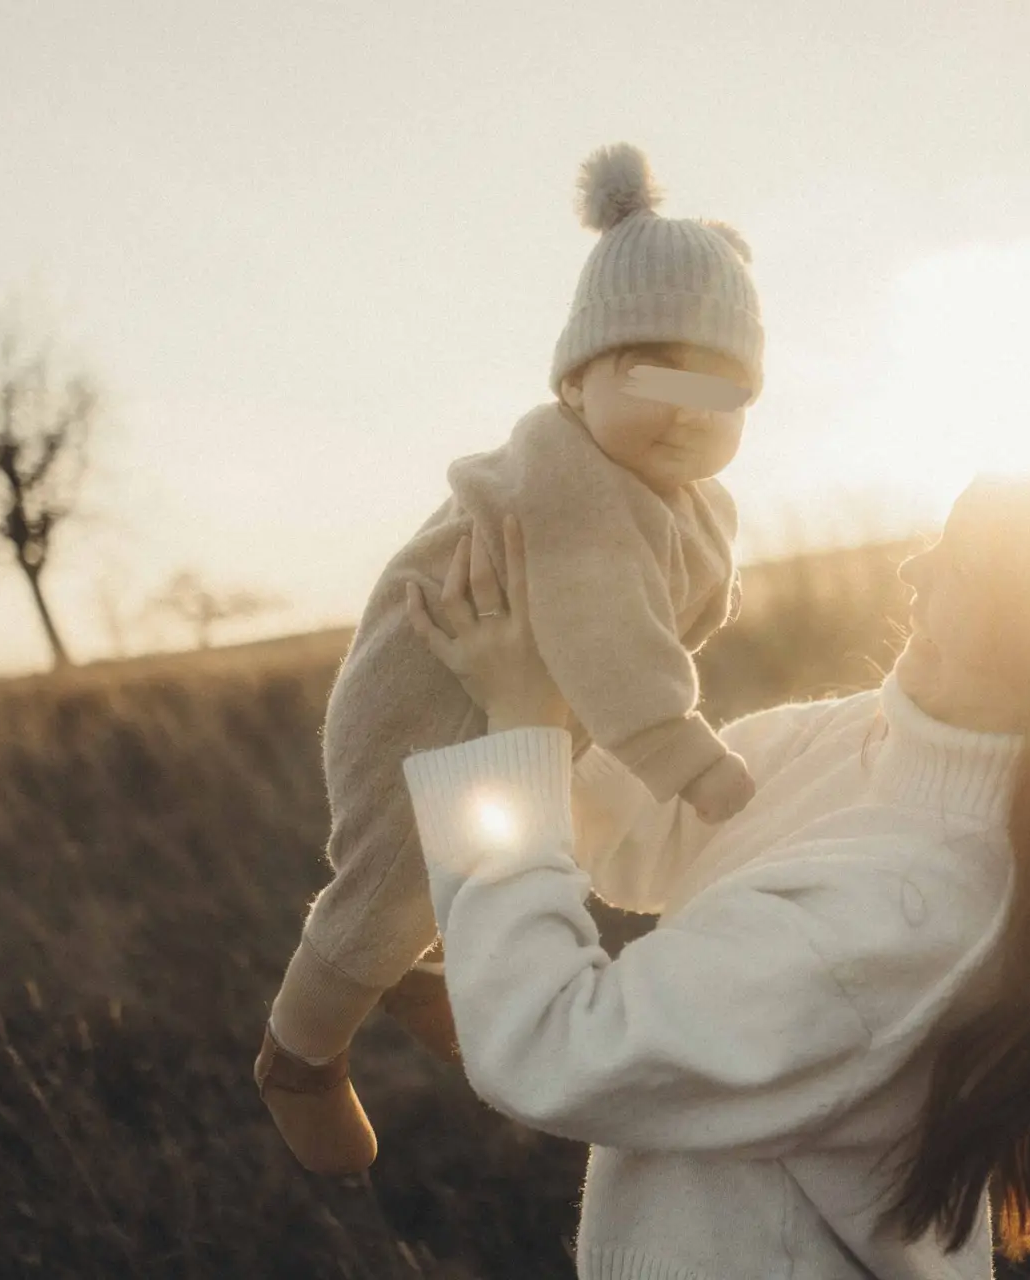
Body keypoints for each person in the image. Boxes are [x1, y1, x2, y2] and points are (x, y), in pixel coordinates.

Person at [400, 421, 1030, 1279]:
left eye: (965, 566)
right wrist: (567, 663)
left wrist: (515, 734)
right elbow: (645, 831)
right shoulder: (875, 738)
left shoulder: (907, 915)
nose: (915, 568)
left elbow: (556, 1048)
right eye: (943, 536)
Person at [255, 141, 767, 1177]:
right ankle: (300, 1051)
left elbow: (673, 601)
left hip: (520, 689)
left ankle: (427, 959)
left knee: (538, 838)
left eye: (720, 387)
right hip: (425, 695)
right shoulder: (571, 477)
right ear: (577, 381)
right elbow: (607, 630)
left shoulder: (683, 494)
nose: (687, 407)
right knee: (396, 871)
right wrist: (681, 749)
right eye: (652, 369)